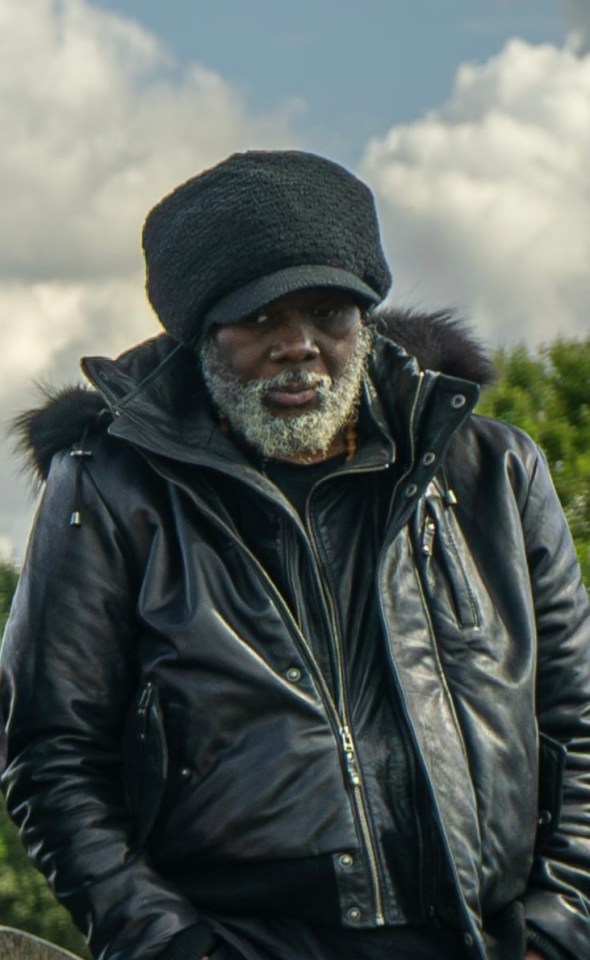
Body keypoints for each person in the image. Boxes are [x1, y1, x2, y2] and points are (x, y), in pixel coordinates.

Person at [0, 150, 588, 960]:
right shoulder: (107, 489)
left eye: (327, 313)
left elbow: (577, 720)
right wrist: (169, 946)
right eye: (260, 320)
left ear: (366, 319)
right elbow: (52, 754)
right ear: (202, 333)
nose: (298, 346)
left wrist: (556, 930)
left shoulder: (493, 471)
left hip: (484, 940)